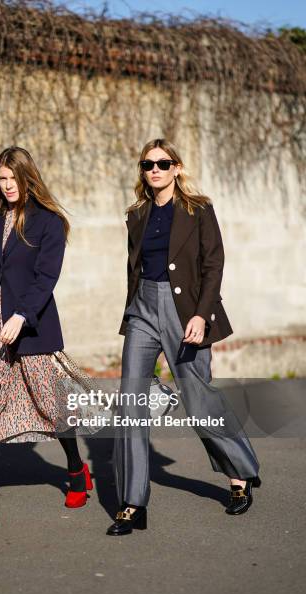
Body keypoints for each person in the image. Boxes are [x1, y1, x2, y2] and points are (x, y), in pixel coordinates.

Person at [107, 138, 261, 536]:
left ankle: (240, 474)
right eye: (147, 164)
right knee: (131, 401)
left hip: (186, 311)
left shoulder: (198, 209)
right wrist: (132, 308)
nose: (154, 170)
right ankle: (132, 502)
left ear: (177, 167)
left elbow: (214, 264)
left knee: (198, 399)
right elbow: (135, 268)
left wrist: (201, 314)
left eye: (162, 163)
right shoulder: (137, 214)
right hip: (143, 309)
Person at [0, 146, 92, 531]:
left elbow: (46, 278)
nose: (8, 185)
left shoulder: (48, 222)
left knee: (49, 402)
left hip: (31, 324)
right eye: (2, 179)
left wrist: (21, 314)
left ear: (27, 178)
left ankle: (76, 470)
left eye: (13, 178)